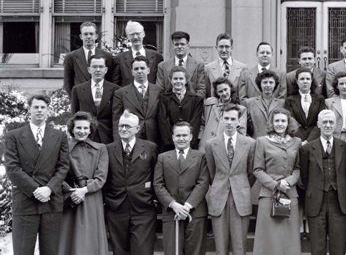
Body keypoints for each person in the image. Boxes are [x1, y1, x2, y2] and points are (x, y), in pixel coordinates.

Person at [4, 94, 70, 255]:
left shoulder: (59, 136)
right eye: (36, 107)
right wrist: (35, 189)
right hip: (26, 201)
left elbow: (63, 166)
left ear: (48, 110)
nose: (39, 110)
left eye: (43, 107)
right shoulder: (14, 136)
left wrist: (49, 189)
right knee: (23, 251)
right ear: (29, 109)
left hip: (51, 201)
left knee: (51, 251)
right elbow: (12, 168)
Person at [104, 110, 158, 255]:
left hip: (143, 207)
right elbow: (105, 177)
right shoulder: (108, 149)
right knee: (119, 250)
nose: (123, 129)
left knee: (143, 250)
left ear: (137, 129)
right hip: (116, 208)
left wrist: (152, 197)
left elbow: (155, 175)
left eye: (127, 126)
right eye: (121, 126)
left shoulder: (150, 148)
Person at [205, 105, 256, 255]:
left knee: (239, 246)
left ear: (238, 121)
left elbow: (251, 172)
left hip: (241, 196)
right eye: (226, 118)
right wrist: (219, 184)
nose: (229, 122)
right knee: (220, 247)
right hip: (218, 196)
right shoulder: (211, 144)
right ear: (221, 119)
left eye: (232, 119)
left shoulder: (250, 143)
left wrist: (242, 185)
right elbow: (211, 172)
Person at [299, 110, 346, 255]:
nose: (328, 125)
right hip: (316, 202)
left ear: (336, 125)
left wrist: (338, 188)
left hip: (339, 202)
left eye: (331, 122)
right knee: (317, 247)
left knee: (339, 247)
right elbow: (304, 177)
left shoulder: (345, 147)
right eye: (324, 122)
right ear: (318, 125)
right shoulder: (307, 149)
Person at [154, 122, 209, 255]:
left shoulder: (200, 156)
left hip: (195, 212)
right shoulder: (163, 157)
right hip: (171, 212)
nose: (181, 138)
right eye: (178, 135)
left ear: (191, 137)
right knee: (172, 251)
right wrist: (173, 205)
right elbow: (158, 184)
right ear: (173, 137)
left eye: (185, 135)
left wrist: (187, 206)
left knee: (195, 251)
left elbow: (203, 182)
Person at [253, 108, 302, 255]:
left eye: (283, 121)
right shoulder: (262, 141)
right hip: (269, 194)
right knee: (268, 238)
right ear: (272, 123)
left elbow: (298, 168)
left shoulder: (297, 142)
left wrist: (289, 181)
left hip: (289, 193)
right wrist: (275, 185)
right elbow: (257, 169)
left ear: (288, 123)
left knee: (288, 238)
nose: (280, 124)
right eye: (277, 121)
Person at [58, 111, 109, 255]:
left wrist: (84, 190)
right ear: (72, 129)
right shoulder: (62, 148)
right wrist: (71, 191)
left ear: (91, 129)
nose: (82, 131)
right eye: (78, 128)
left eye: (86, 128)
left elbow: (101, 177)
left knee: (90, 238)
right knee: (69, 237)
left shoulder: (100, 149)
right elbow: (56, 174)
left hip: (91, 197)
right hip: (69, 198)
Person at [112, 55, 163, 146]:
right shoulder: (121, 93)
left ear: (148, 70)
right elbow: (116, 121)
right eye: (136, 69)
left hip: (155, 138)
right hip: (131, 138)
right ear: (132, 72)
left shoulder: (159, 91)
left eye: (142, 68)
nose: (139, 71)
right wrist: (118, 143)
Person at [70, 54, 120, 143]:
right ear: (89, 69)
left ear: (106, 70)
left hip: (108, 138)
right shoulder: (78, 90)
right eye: (94, 67)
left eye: (101, 67)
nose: (98, 70)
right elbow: (74, 117)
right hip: (85, 137)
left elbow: (117, 118)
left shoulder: (115, 90)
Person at [157, 66, 204, 151]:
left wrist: (188, 141)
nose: (178, 81)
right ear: (170, 80)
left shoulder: (196, 100)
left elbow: (195, 122)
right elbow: (163, 121)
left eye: (181, 78)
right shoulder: (163, 98)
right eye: (175, 79)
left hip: (189, 145)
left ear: (186, 80)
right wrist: (172, 141)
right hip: (169, 145)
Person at [63, 21, 114, 95]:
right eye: (85, 34)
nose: (88, 36)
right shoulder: (71, 57)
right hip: (81, 100)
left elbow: (110, 80)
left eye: (91, 34)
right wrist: (75, 101)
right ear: (81, 36)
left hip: (102, 100)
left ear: (96, 36)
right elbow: (68, 84)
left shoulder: (107, 56)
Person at [199, 77, 247, 150]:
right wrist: (201, 139)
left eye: (225, 89)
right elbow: (201, 124)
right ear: (216, 93)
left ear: (230, 88)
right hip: (205, 146)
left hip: (224, 148)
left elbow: (241, 132)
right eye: (220, 91)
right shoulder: (209, 105)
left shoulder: (241, 109)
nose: (224, 93)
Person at [156, 31, 207, 98]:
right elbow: (159, 90)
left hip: (192, 106)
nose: (179, 47)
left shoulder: (198, 65)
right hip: (169, 105)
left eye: (182, 44)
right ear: (173, 46)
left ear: (188, 46)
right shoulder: (162, 66)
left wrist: (193, 104)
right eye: (176, 44)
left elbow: (201, 90)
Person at [112, 20, 164, 86]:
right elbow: (115, 85)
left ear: (143, 34)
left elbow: (160, 82)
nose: (135, 37)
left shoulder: (157, 57)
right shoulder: (119, 59)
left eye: (138, 33)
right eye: (132, 34)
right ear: (127, 36)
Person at [285, 67, 326, 142]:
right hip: (296, 140)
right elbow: (291, 122)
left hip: (315, 140)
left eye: (308, 79)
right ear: (297, 81)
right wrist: (301, 141)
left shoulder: (320, 99)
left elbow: (320, 121)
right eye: (302, 79)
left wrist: (309, 141)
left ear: (311, 81)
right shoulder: (289, 100)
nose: (305, 81)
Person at [243, 70, 286, 138]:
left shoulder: (282, 103)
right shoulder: (249, 103)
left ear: (275, 84)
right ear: (260, 84)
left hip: (276, 144)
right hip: (256, 142)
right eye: (265, 82)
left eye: (271, 82)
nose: (268, 85)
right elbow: (244, 126)